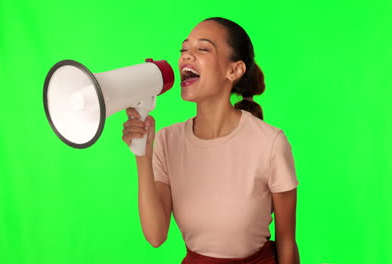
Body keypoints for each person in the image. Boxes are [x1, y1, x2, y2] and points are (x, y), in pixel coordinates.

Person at [122, 17, 300, 264]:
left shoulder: (270, 143)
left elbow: (287, 243)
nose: (186, 56)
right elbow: (155, 236)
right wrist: (142, 154)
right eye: (184, 49)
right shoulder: (166, 140)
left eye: (202, 49)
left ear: (234, 70)